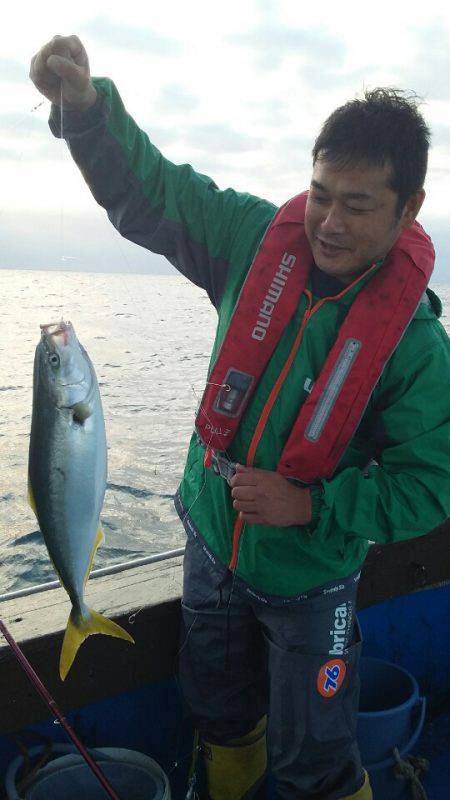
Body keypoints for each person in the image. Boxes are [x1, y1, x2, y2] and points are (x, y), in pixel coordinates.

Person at [30, 35, 450, 800]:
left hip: (311, 579)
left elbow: (430, 485)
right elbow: (155, 192)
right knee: (219, 717)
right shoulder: (253, 240)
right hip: (210, 541)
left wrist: (313, 505)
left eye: (356, 205)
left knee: (316, 759)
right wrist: (86, 111)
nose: (328, 222)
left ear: (408, 208)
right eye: (320, 194)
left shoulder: (416, 347)